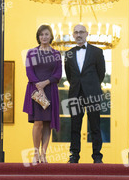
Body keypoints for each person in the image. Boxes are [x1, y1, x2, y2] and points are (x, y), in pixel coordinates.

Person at [64, 24, 106, 163]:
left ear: (87, 34)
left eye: (81, 32)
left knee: (95, 126)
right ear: (73, 35)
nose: (78, 35)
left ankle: (97, 156)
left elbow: (101, 73)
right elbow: (69, 75)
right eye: (76, 32)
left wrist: (91, 85)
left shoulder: (97, 52)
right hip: (75, 93)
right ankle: (74, 156)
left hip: (93, 93)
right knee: (75, 126)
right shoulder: (68, 53)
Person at [23, 24, 62, 163]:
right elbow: (29, 72)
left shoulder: (56, 54)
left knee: (47, 123)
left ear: (51, 36)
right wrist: (39, 86)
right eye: (41, 35)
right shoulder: (31, 53)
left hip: (50, 90)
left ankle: (44, 154)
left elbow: (58, 74)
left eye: (46, 34)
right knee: (38, 122)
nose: (44, 37)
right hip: (35, 90)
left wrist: (45, 83)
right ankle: (35, 153)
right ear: (38, 37)